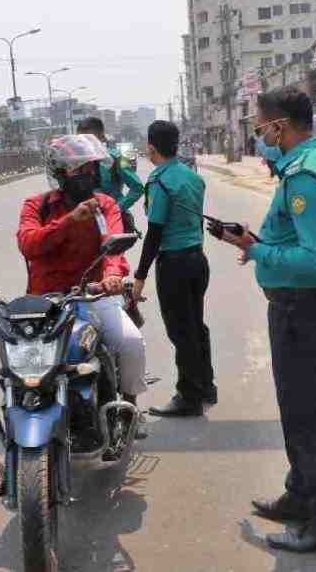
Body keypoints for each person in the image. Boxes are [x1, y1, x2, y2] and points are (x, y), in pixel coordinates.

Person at [216, 87, 316, 554]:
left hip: (303, 303)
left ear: (279, 125)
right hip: (304, 301)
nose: (261, 137)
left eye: (260, 129)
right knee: (297, 410)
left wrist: (256, 250)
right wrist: (261, 246)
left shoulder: (307, 176)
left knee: (309, 417)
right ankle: (301, 495)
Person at [17, 134, 149, 425]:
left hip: (93, 294)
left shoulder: (105, 205)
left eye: (92, 168)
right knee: (22, 364)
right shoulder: (36, 206)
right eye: (81, 170)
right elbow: (29, 244)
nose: (89, 175)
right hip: (46, 300)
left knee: (130, 343)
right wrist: (69, 221)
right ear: (60, 174)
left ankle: (128, 409)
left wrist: (113, 275)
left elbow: (113, 243)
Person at [130, 120, 215, 418]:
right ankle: (206, 386)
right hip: (197, 259)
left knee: (181, 331)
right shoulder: (192, 177)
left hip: (174, 264)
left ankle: (188, 396)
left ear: (151, 148)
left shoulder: (159, 181)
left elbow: (154, 233)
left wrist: (139, 277)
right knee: (196, 325)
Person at [76, 117, 145, 233]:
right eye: (80, 140)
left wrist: (116, 208)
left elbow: (137, 187)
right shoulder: (75, 162)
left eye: (89, 139)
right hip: (85, 220)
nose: (84, 144)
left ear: (102, 137)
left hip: (113, 222)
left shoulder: (118, 158)